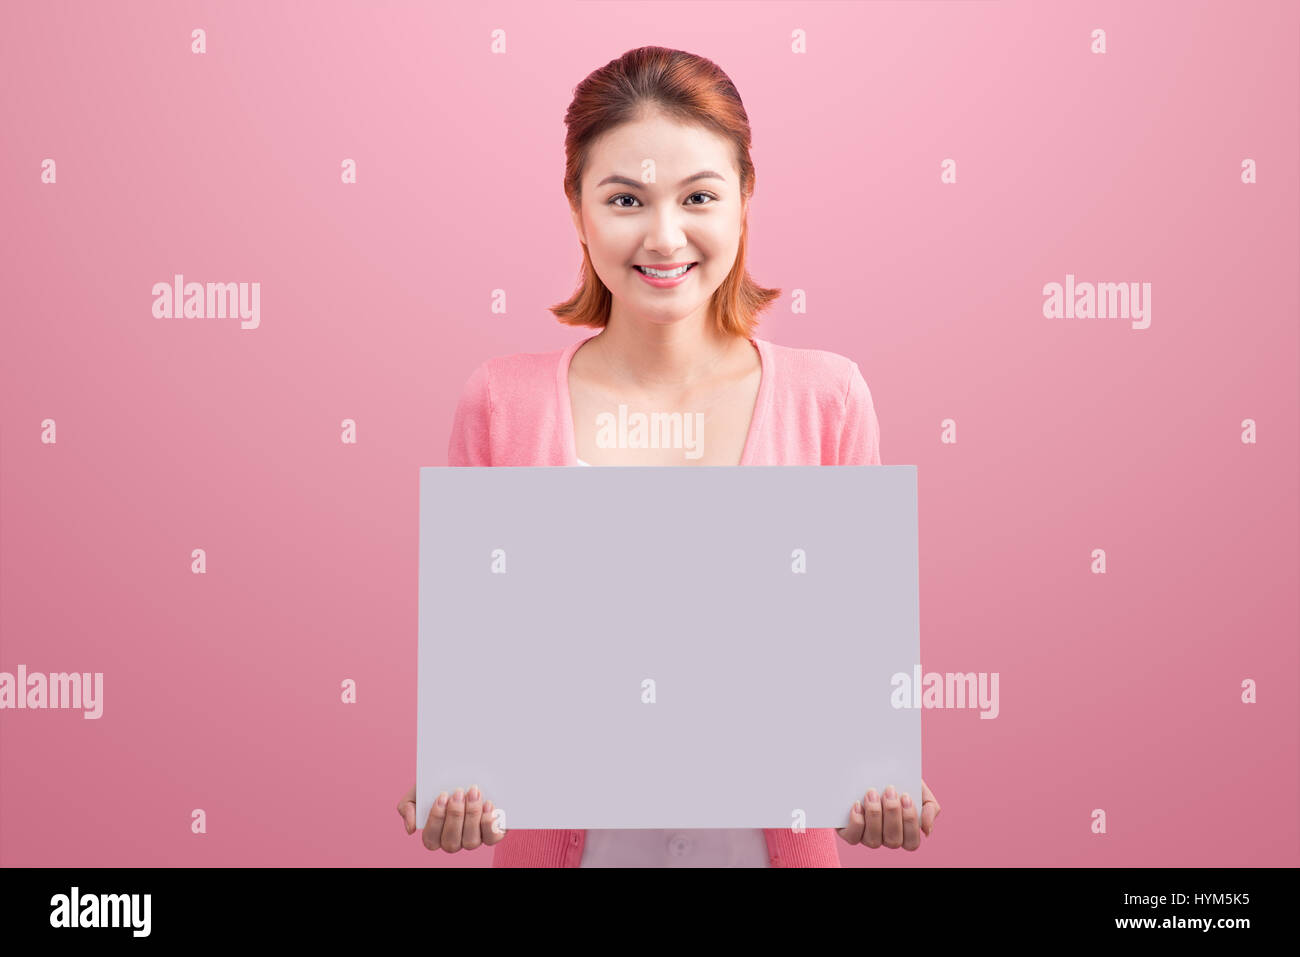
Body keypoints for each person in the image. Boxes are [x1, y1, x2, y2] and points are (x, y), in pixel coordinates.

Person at [397, 45, 940, 866]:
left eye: (698, 197)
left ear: (745, 200)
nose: (664, 235)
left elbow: (857, 680)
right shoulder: (501, 403)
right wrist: (453, 776)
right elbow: (476, 685)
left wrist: (881, 778)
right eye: (625, 198)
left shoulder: (828, 398)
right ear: (576, 205)